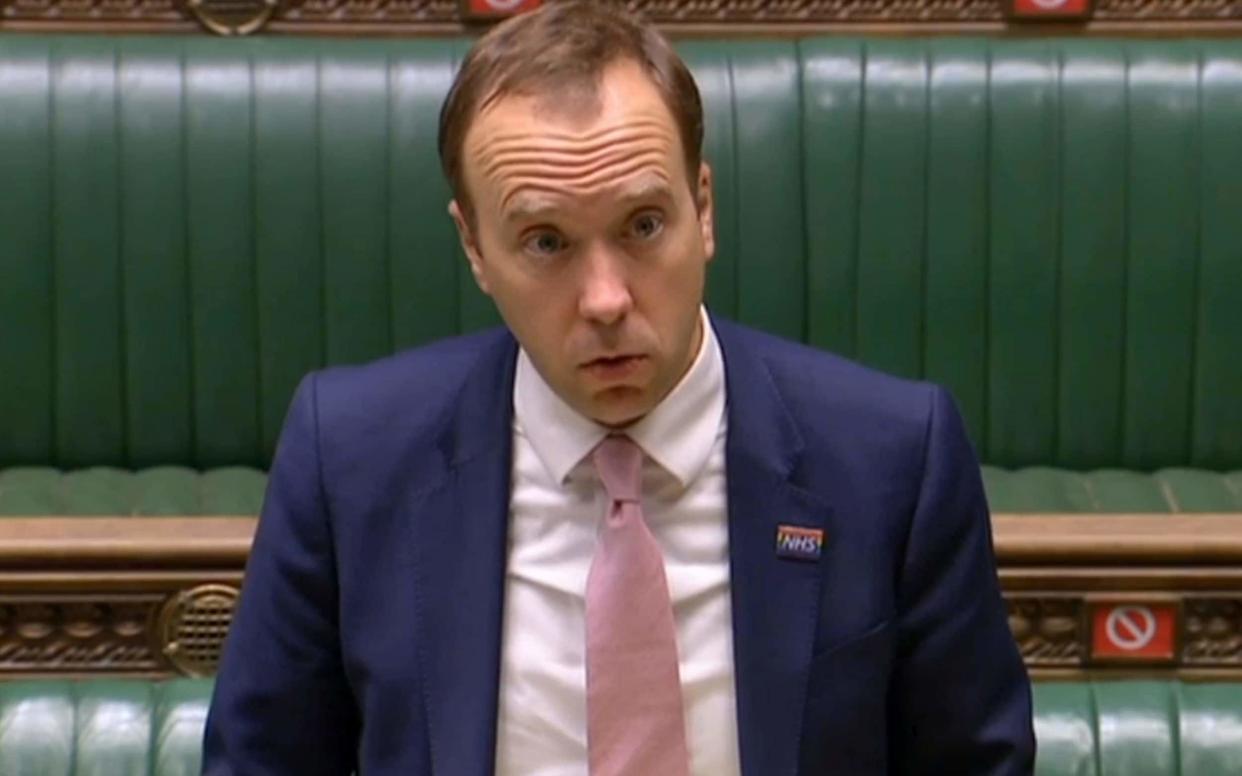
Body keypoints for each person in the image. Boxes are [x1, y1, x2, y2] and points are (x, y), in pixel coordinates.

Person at [202, 2, 1034, 774]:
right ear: (474, 249)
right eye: (545, 242)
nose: (606, 299)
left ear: (702, 209)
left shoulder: (893, 459)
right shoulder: (349, 457)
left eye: (643, 226)